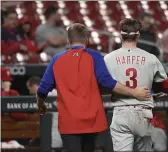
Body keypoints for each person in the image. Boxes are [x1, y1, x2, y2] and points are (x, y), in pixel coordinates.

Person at [36, 23, 151, 152]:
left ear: (68, 41)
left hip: (69, 121)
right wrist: (134, 92)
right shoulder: (94, 56)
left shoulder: (56, 59)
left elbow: (42, 90)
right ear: (87, 39)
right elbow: (107, 82)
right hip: (92, 121)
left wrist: (41, 104)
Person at [104, 18, 168, 151]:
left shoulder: (108, 58)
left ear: (121, 35)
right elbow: (165, 85)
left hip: (121, 111)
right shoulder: (150, 57)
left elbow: (102, 84)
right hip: (143, 112)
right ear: (138, 35)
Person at [26, 76, 61, 149]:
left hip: (54, 135)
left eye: (29, 88)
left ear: (35, 86)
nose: (29, 91)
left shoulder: (46, 94)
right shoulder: (54, 91)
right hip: (62, 134)